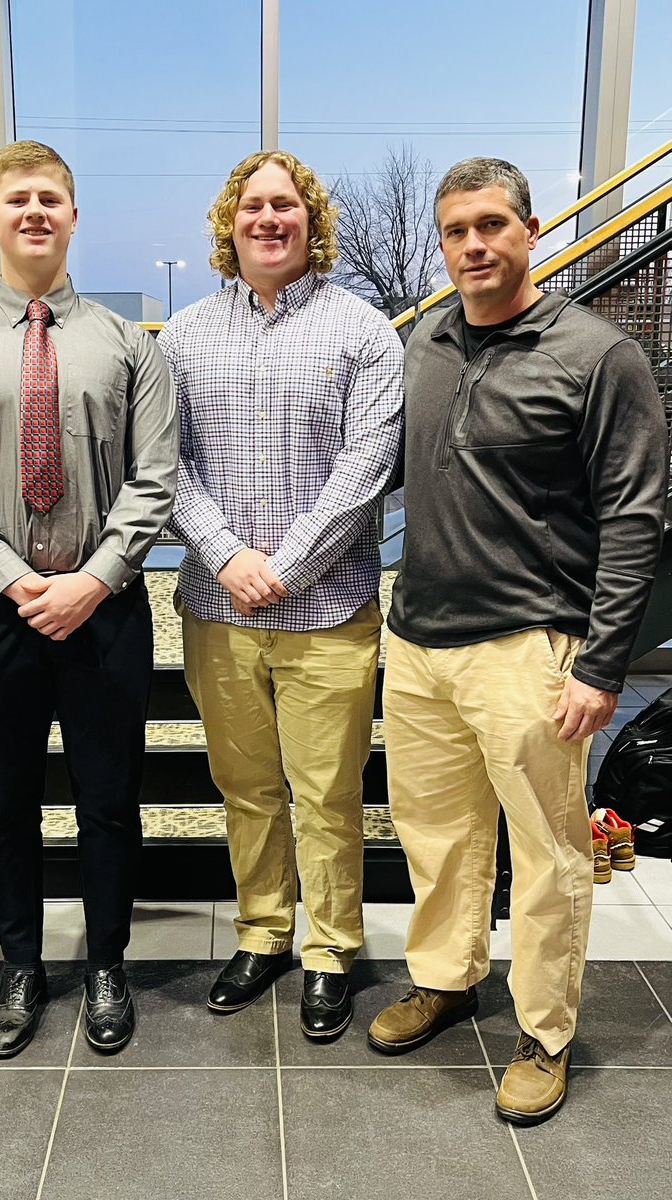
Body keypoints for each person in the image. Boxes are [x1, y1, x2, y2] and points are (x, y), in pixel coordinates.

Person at [369, 157, 669, 1123]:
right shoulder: (428, 341)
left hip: (529, 652)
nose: (473, 245)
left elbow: (634, 519)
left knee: (546, 855)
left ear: (529, 230)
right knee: (438, 838)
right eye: (456, 231)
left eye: (491, 225)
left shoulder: (596, 357)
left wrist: (601, 664)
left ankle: (544, 1032)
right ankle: (446, 978)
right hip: (417, 643)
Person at [0, 141, 177, 1058]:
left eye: (50, 198)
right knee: (2, 805)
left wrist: (91, 580)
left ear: (72, 216)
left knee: (108, 802)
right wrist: (17, 579)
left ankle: (106, 965)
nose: (34, 212)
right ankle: (21, 962)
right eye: (16, 198)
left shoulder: (127, 347)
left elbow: (155, 477)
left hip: (105, 611)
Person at [158, 151, 403, 1037]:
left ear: (310, 221)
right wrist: (227, 556)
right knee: (246, 788)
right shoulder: (182, 336)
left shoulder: (364, 333)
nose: (269, 218)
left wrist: (283, 566)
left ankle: (330, 948)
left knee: (328, 792)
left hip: (329, 612)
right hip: (217, 609)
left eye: (285, 205)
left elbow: (363, 469)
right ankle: (262, 935)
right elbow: (165, 464)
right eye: (254, 205)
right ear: (231, 222)